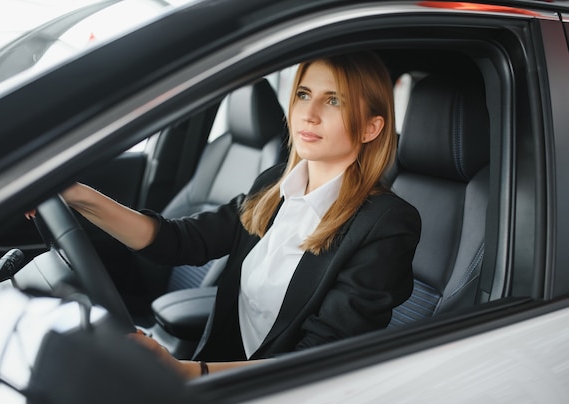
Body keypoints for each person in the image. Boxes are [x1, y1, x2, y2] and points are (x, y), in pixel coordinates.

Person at [60, 50, 421, 379]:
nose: (308, 114)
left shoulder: (386, 223)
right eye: (303, 94)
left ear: (371, 127)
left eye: (334, 101)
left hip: (284, 394)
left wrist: (190, 372)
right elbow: (177, 241)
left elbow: (321, 358)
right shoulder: (272, 186)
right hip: (217, 377)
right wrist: (79, 198)